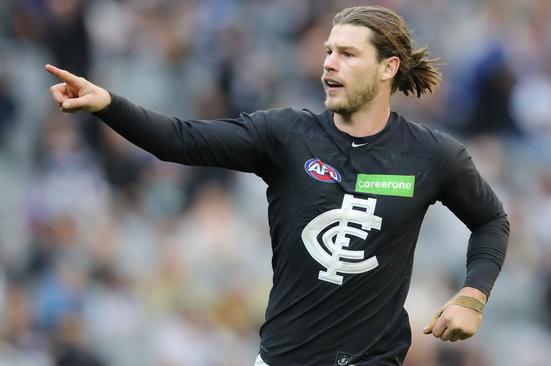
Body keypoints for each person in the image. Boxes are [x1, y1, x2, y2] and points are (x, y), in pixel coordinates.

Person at [46, 6, 509, 366]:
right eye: (328, 51)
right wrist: (106, 104)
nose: (329, 64)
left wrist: (473, 294)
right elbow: (179, 140)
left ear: (389, 67)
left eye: (347, 54)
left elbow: (491, 219)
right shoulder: (286, 135)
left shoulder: (433, 155)